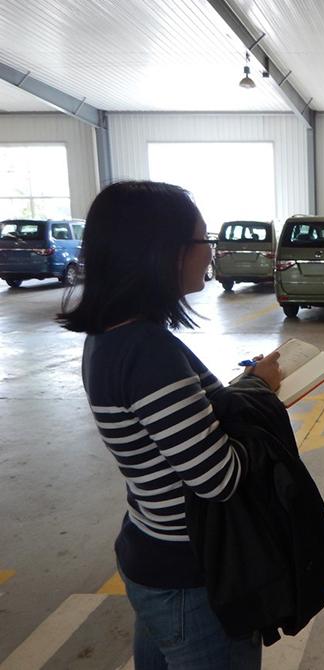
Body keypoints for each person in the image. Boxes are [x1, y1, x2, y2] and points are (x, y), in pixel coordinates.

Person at [58, 180, 281, 670]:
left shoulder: (112, 337)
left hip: (151, 548)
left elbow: (177, 424)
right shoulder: (147, 351)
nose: (210, 253)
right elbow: (216, 478)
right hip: (192, 579)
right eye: (204, 240)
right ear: (167, 252)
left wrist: (247, 386)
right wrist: (264, 413)